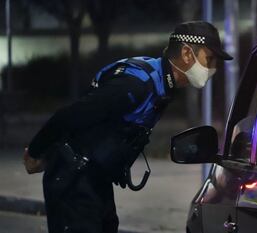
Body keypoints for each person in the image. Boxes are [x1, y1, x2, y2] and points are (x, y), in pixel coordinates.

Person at [23, 21, 232, 233]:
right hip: (73, 180)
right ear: (188, 54)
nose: (212, 68)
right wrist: (35, 152)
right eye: (210, 59)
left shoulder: (160, 84)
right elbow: (70, 116)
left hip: (94, 179)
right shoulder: (136, 85)